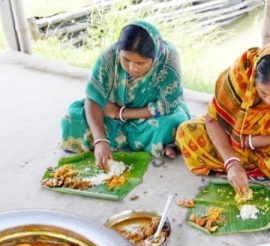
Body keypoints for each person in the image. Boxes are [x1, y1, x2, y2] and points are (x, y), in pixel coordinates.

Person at [176, 42, 270, 196]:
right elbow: (213, 120)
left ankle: (249, 165)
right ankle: (255, 168)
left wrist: (250, 142)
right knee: (186, 133)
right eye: (263, 93)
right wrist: (231, 162)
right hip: (234, 140)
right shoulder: (242, 71)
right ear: (254, 78)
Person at [60, 20, 190, 169]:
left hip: (150, 116)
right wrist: (100, 140)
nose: (132, 68)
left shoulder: (168, 60)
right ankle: (158, 144)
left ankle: (161, 140)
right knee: (71, 119)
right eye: (126, 60)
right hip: (110, 110)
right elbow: (94, 98)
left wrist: (120, 114)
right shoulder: (109, 55)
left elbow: (165, 107)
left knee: (173, 123)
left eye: (140, 63)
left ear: (155, 58)